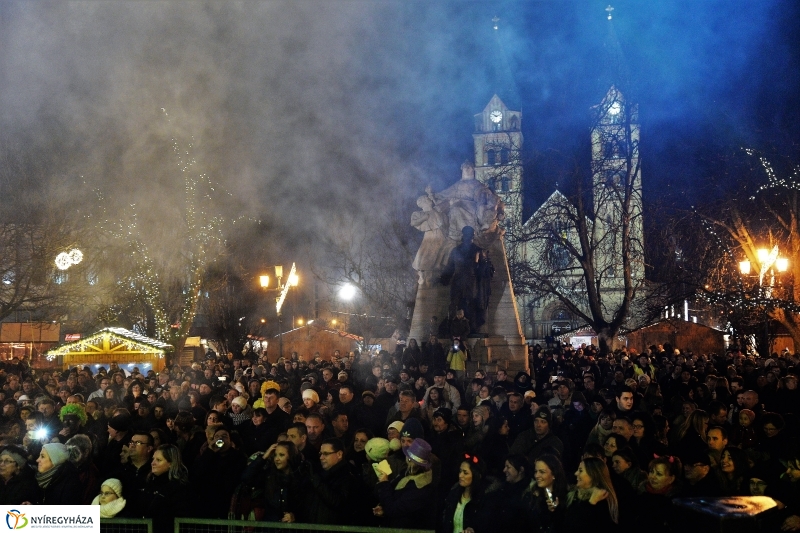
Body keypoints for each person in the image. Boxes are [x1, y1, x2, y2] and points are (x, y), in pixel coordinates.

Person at [373, 438, 437, 530]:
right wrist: (384, 509)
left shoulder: (419, 487)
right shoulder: (405, 473)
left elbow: (394, 510)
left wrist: (384, 483)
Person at [136, 444, 195, 533]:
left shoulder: (179, 488)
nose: (153, 463)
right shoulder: (149, 483)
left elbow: (181, 517)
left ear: (171, 464)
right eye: (153, 459)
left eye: (158, 460)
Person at [240, 441, 304, 522]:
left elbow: (305, 506)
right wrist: (264, 457)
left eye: (281, 455)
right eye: (275, 455)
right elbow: (246, 478)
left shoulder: (301, 478)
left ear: (291, 456)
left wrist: (295, 515)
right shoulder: (269, 476)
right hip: (270, 526)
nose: (276, 459)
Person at [441, 453, 501, 533]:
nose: (460, 475)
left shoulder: (485, 499)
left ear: (477, 476)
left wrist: (473, 529)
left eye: (465, 473)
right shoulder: (454, 494)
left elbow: (486, 525)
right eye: (460, 471)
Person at [562, 457, 619, 532]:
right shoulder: (573, 496)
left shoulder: (602, 501)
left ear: (593, 475)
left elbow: (579, 526)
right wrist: (554, 511)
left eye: (580, 471)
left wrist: (591, 503)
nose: (576, 473)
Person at [636, 455, 683, 533]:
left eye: (659, 474)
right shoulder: (641, 493)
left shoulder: (676, 502)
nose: (652, 477)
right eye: (651, 472)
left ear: (671, 479)